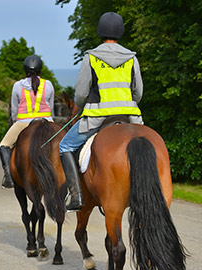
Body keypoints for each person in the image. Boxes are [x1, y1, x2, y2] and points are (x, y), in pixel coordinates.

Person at [59, 11, 143, 211]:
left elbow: (80, 94)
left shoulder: (91, 57)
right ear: (121, 31)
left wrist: (78, 109)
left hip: (98, 118)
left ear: (100, 31)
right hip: (129, 117)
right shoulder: (132, 58)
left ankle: (77, 196)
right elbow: (138, 93)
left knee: (64, 146)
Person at [0, 54, 55, 188]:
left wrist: (14, 124)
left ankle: (8, 177)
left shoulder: (18, 86)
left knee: (4, 145)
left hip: (24, 122)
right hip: (46, 121)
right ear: (40, 70)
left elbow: (14, 110)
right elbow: (51, 107)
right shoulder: (48, 85)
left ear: (25, 70)